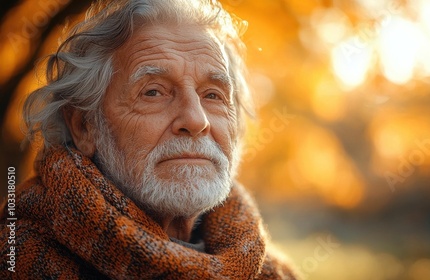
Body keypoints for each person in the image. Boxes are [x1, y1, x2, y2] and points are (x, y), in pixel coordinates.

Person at [0, 0, 298, 278]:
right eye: (153, 92)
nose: (196, 120)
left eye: (213, 95)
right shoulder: (15, 259)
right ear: (84, 126)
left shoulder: (275, 272)